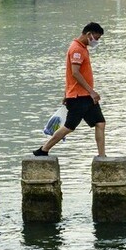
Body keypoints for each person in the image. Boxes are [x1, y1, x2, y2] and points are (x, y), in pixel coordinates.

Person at [34, 22, 107, 157]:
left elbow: (69, 75)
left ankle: (102, 155)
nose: (96, 41)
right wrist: (91, 91)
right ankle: (43, 150)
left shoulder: (82, 48)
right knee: (69, 126)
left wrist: (67, 93)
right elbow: (75, 73)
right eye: (96, 38)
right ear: (88, 34)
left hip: (85, 96)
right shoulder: (77, 49)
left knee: (100, 123)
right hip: (79, 97)